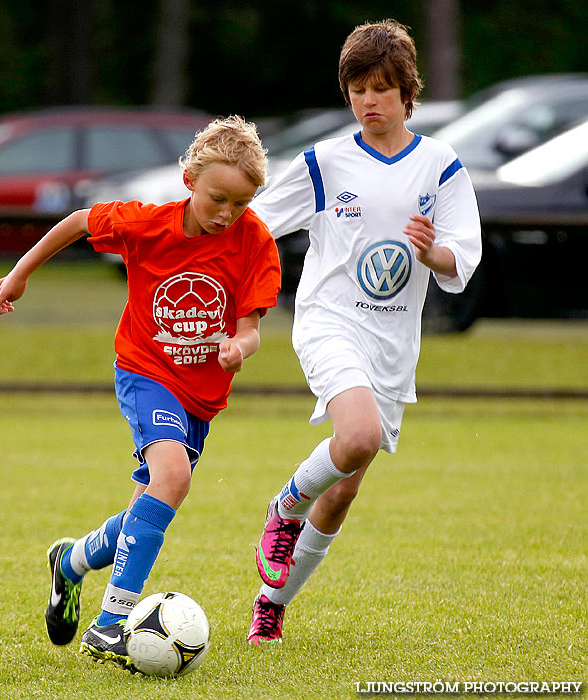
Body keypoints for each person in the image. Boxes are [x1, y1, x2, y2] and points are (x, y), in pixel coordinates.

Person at [0, 115, 281, 669]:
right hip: (144, 371)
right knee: (174, 478)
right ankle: (109, 625)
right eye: (217, 198)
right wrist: (20, 272)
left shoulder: (254, 241)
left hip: (200, 399)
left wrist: (238, 348)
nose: (226, 214)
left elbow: (251, 328)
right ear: (189, 180)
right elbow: (79, 222)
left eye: (239, 204)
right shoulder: (148, 224)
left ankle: (72, 561)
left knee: (148, 507)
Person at [246, 19, 482, 646]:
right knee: (358, 436)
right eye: (357, 89)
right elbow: (255, 225)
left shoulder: (441, 166)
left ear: (409, 93)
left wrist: (434, 255)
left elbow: (465, 256)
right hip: (328, 321)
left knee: (346, 486)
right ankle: (284, 507)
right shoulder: (324, 162)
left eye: (381, 88)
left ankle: (272, 607)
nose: (368, 101)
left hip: (392, 346)